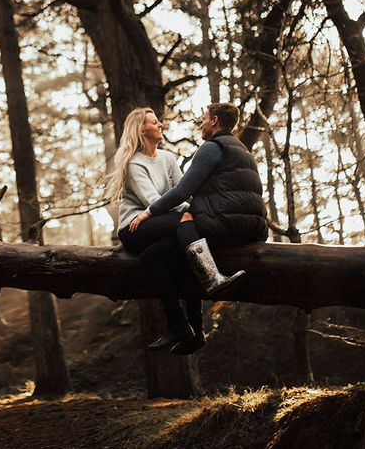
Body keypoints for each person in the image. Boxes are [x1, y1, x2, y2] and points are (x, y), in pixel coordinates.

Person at [131, 102, 268, 352]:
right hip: (253, 226)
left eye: (203, 119)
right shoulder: (241, 149)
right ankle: (195, 331)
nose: (201, 124)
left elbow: (183, 190)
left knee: (154, 255)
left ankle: (205, 288)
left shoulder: (212, 147)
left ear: (214, 121)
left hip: (223, 224)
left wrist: (149, 212)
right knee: (183, 254)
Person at [108, 107, 206, 354]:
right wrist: (190, 212)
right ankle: (210, 276)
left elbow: (183, 191)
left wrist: (190, 208)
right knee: (187, 221)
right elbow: (153, 200)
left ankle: (191, 328)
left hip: (165, 223)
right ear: (142, 130)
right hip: (135, 227)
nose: (160, 124)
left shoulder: (168, 158)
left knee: (157, 257)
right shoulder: (133, 163)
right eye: (154, 122)